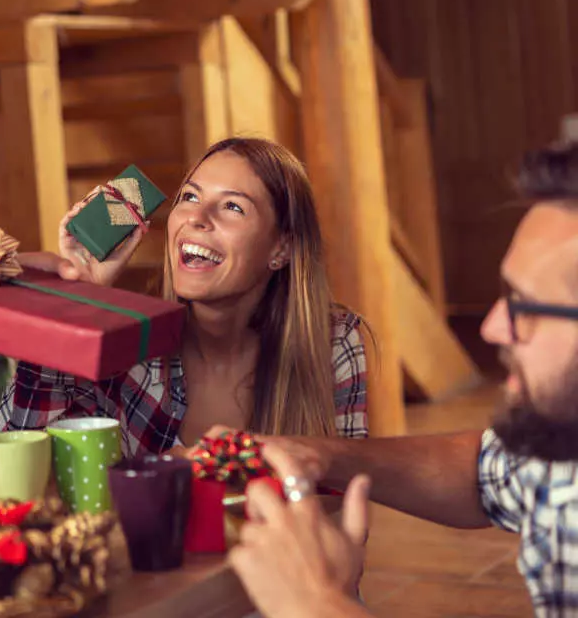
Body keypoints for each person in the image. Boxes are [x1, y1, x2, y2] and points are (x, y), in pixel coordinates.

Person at [225, 139, 578, 617]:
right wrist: (322, 454)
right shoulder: (560, 451)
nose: (492, 326)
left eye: (525, 306)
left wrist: (317, 604)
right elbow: (490, 471)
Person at [0, 137, 369, 455]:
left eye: (233, 206)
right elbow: (16, 461)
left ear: (281, 249)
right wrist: (74, 300)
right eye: (189, 197)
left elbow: (340, 512)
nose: (197, 217)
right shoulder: (127, 350)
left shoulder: (333, 341)